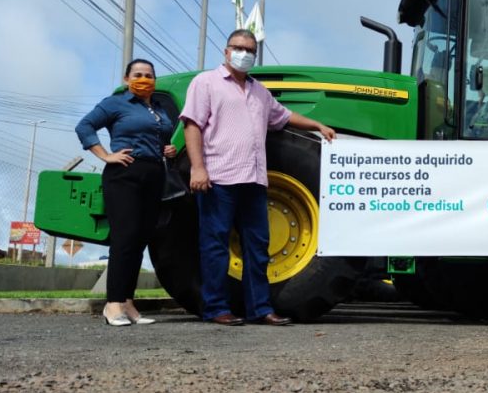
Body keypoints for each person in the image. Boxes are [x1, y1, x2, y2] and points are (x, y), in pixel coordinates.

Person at [180, 29, 336, 326]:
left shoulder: (260, 92)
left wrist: (317, 125)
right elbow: (192, 125)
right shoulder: (206, 82)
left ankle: (260, 309)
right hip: (219, 178)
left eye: (250, 50)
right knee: (215, 245)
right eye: (238, 48)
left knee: (258, 247)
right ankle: (216, 308)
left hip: (254, 181)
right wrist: (197, 168)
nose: (244, 54)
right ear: (226, 51)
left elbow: (285, 117)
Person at [76, 59, 177, 326]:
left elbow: (159, 137)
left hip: (154, 174)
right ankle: (112, 304)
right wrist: (105, 155)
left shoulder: (158, 108)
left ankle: (128, 303)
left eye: (149, 75)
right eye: (138, 74)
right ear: (126, 79)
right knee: (125, 238)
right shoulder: (116, 103)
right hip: (124, 173)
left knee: (141, 239)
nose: (144, 79)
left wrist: (167, 148)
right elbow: (84, 126)